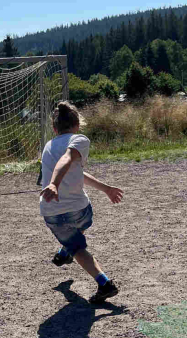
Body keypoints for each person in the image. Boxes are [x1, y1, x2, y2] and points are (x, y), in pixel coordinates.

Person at [39, 101, 124, 303]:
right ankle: (98, 278)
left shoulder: (49, 145)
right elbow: (66, 160)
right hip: (80, 209)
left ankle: (71, 255)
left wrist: (106, 188)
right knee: (77, 236)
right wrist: (54, 184)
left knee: (75, 244)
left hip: (54, 211)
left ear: (54, 128)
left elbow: (72, 168)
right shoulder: (79, 139)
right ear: (77, 124)